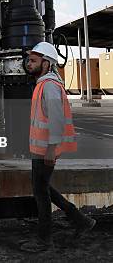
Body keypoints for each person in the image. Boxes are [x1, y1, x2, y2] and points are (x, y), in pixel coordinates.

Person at [20, 42, 96, 252]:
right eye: (29, 60)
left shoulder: (50, 86)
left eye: (34, 61)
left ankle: (45, 239)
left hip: (46, 149)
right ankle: (81, 220)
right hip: (42, 147)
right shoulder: (43, 84)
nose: (29, 64)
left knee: (40, 192)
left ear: (46, 63)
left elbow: (57, 120)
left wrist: (52, 149)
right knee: (42, 188)